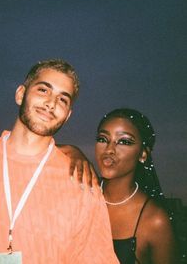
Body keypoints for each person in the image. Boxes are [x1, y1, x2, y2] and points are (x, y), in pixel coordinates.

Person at [0, 59, 119, 264]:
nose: (51, 103)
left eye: (63, 99)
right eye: (43, 90)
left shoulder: (84, 186)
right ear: (20, 94)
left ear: (67, 116)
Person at [60, 108, 177, 264]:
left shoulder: (154, 221)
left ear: (143, 154)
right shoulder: (81, 194)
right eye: (102, 139)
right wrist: (72, 150)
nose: (109, 149)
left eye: (124, 141)